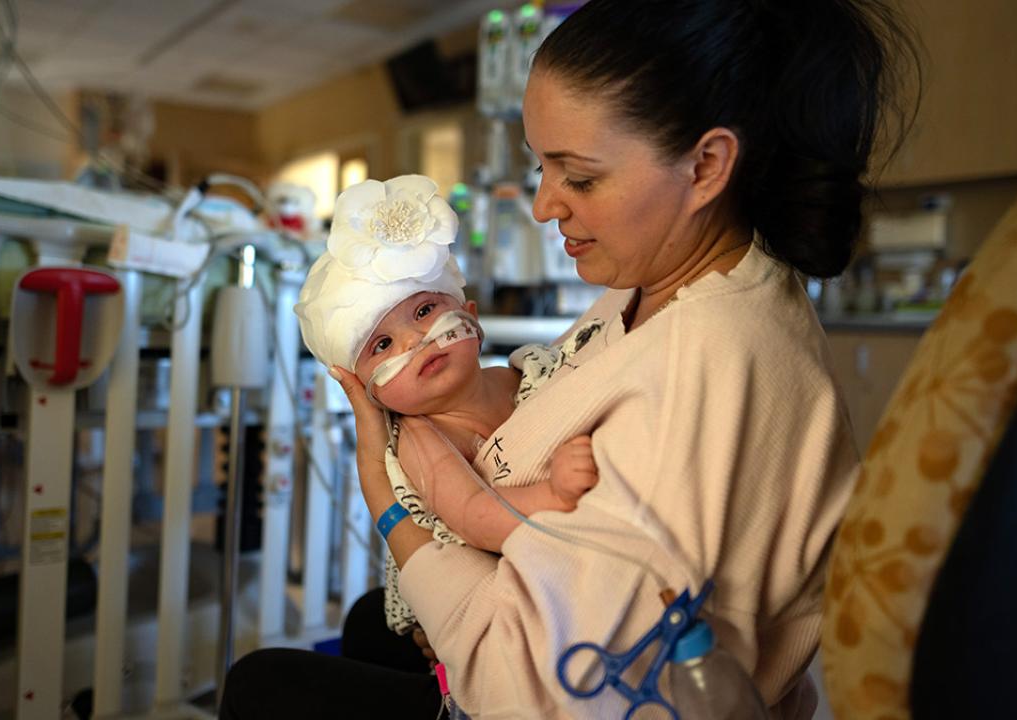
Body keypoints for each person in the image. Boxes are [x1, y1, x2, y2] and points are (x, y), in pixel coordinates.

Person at [221, 1, 917, 717]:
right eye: (540, 167)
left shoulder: (704, 362)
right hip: (527, 604)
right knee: (374, 619)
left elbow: (545, 692)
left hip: (569, 688)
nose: (545, 206)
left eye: (579, 177)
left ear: (706, 166)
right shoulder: (651, 286)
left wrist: (385, 499)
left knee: (262, 688)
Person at [295, 173, 602, 637]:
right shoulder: (424, 439)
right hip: (454, 617)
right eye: (383, 344)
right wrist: (554, 497)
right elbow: (474, 515)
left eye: (424, 312)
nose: (416, 340)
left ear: (472, 321)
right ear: (372, 392)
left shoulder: (529, 376)